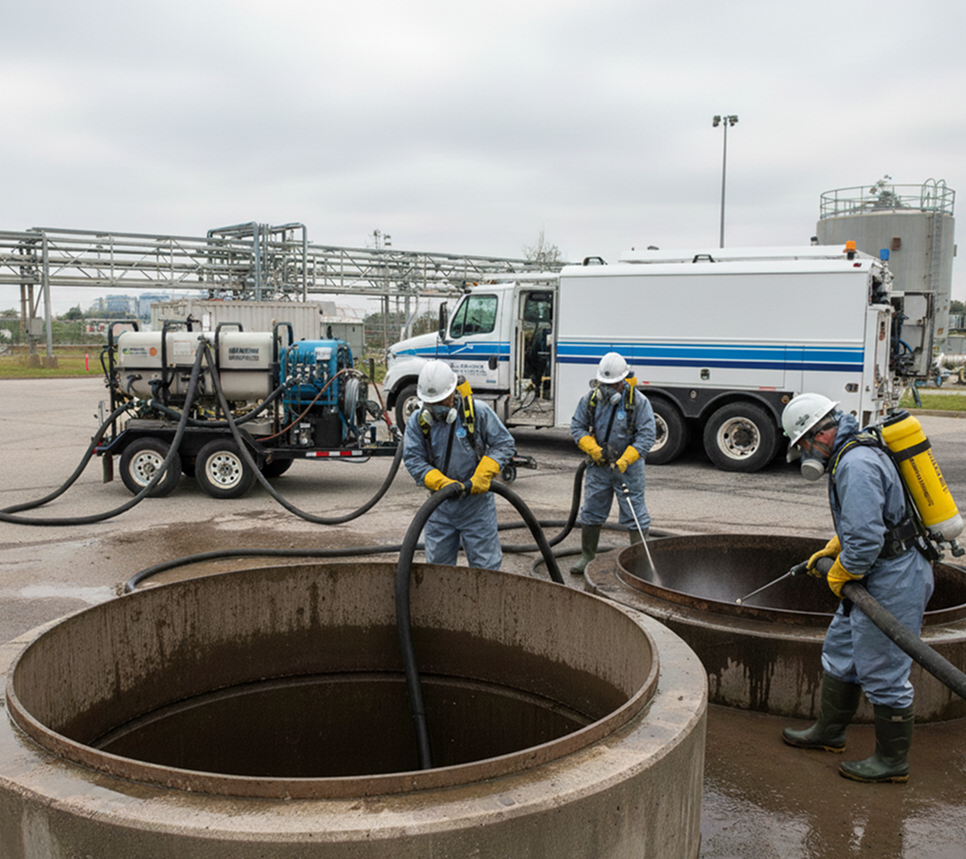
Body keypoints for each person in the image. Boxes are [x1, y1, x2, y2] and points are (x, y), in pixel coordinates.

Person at [780, 392, 933, 783]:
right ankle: (829, 732)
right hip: (877, 568)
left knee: (883, 670)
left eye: (803, 446)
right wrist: (836, 546)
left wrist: (841, 570)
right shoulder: (853, 450)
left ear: (820, 434)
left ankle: (892, 762)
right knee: (842, 651)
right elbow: (867, 523)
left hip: (893, 575)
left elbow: (865, 540)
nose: (804, 455)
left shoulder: (856, 463)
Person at [403, 360, 516, 571]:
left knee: (486, 569)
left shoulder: (477, 412)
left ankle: (483, 604)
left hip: (476, 507)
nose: (437, 407)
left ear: (453, 392)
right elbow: (413, 459)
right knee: (438, 570)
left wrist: (484, 473)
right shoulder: (418, 422)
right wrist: (441, 483)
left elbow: (504, 443)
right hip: (439, 507)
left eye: (441, 400)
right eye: (431, 401)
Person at [569, 352, 656, 575]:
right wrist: (593, 449)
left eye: (613, 384)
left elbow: (647, 435)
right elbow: (577, 426)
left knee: (635, 511)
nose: (608, 389)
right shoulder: (590, 400)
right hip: (599, 466)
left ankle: (640, 561)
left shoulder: (638, 402)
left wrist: (627, 459)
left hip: (628, 467)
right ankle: (587, 556)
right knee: (591, 509)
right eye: (603, 383)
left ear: (623, 381)